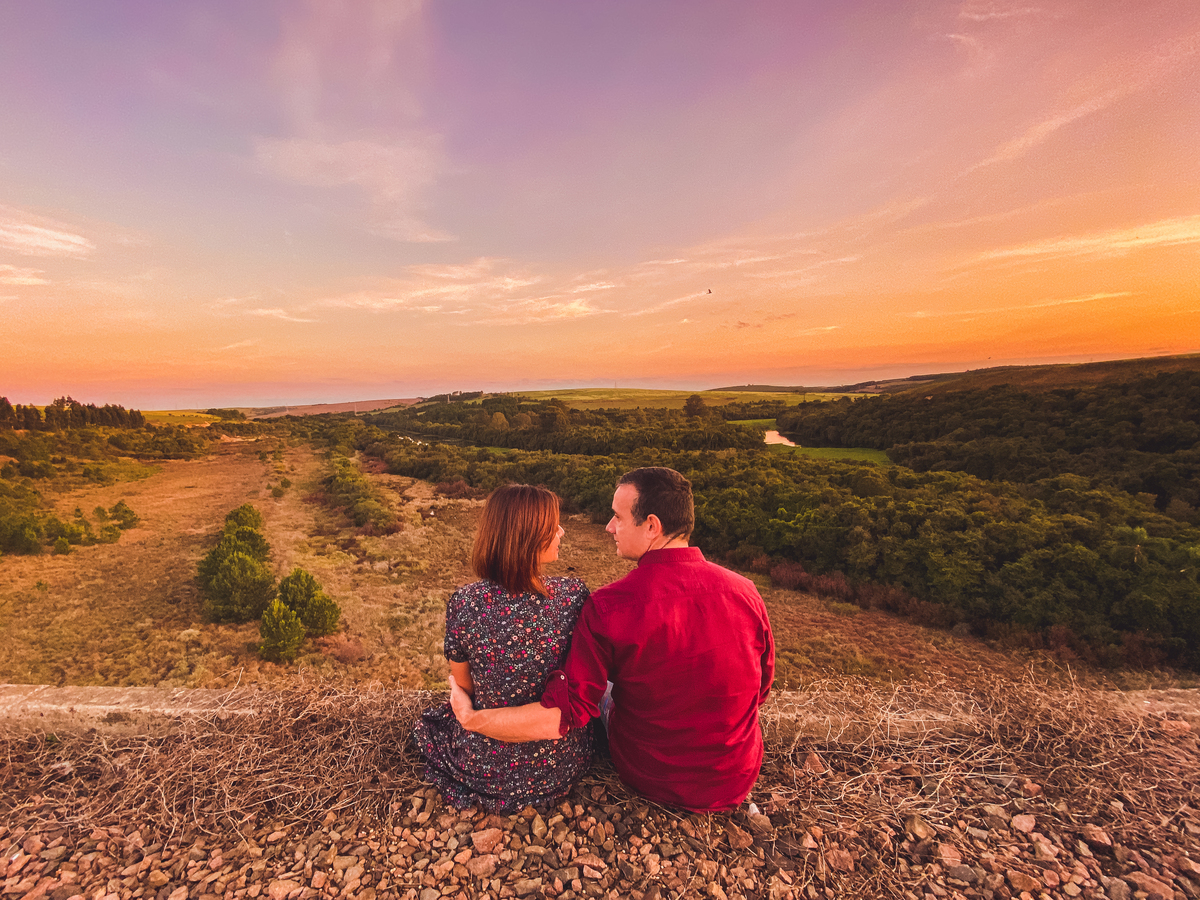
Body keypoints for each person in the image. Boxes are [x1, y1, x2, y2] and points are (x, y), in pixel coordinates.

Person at [450, 467, 775, 813]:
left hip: (649, 775)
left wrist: (471, 719)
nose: (609, 527)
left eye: (618, 517)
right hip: (736, 776)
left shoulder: (609, 607)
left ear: (652, 526)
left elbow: (564, 714)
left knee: (602, 688)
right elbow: (762, 689)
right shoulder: (745, 592)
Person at [411, 483, 592, 811]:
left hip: (487, 768)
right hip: (559, 765)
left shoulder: (465, 603)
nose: (562, 532)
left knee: (431, 724)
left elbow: (464, 687)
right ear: (529, 537)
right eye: (553, 527)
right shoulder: (574, 596)